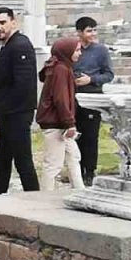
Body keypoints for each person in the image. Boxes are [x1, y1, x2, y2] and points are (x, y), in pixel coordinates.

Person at [0, 7, 40, 194]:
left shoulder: (20, 45)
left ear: (13, 22)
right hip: (7, 112)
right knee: (3, 159)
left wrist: (12, 112)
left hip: (17, 113)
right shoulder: (10, 46)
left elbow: (24, 85)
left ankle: (35, 198)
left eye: (2, 22)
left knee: (22, 159)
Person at [36, 38, 85, 192]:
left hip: (60, 123)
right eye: (76, 50)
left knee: (73, 157)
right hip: (56, 123)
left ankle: (79, 190)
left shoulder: (61, 67)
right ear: (67, 52)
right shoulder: (61, 70)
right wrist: (69, 123)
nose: (79, 53)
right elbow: (61, 99)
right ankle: (46, 196)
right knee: (53, 163)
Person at [72, 16, 114, 186]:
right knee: (74, 135)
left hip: (92, 95)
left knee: (90, 136)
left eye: (94, 30)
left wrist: (91, 79)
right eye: (89, 30)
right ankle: (76, 170)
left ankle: (89, 171)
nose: (93, 34)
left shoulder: (101, 50)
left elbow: (109, 74)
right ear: (80, 33)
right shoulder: (73, 50)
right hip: (73, 96)